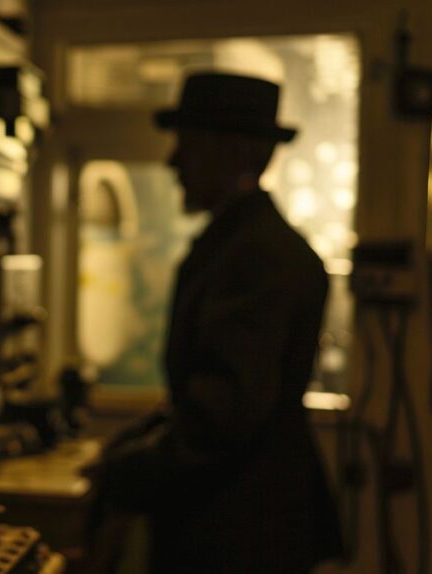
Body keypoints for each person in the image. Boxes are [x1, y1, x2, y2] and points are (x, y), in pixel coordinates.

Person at [87, 72, 343, 574]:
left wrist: (125, 472)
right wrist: (137, 440)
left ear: (233, 153)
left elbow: (225, 411)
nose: (173, 163)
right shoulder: (246, 244)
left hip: (240, 528)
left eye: (188, 145)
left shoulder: (254, 256)